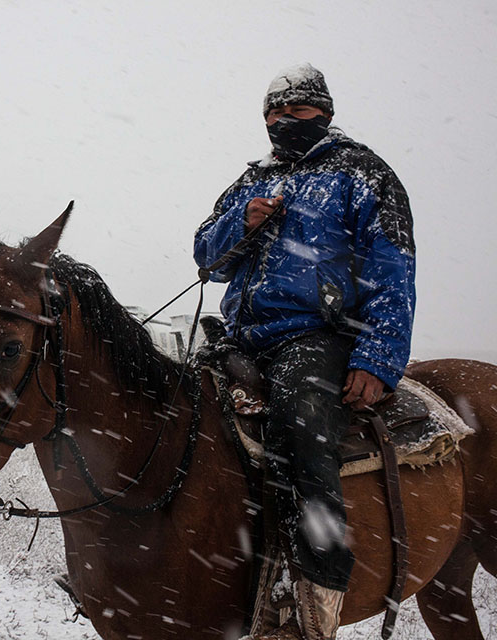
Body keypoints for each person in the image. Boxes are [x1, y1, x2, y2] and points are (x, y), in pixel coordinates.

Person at [194, 64, 416, 640]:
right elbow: (206, 258)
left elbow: (394, 267)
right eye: (273, 113)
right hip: (242, 338)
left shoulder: (362, 172)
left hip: (316, 336)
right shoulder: (250, 181)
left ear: (324, 111)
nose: (281, 122)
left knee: (301, 432)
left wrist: (378, 357)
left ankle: (313, 605)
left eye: (295, 111)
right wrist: (238, 225)